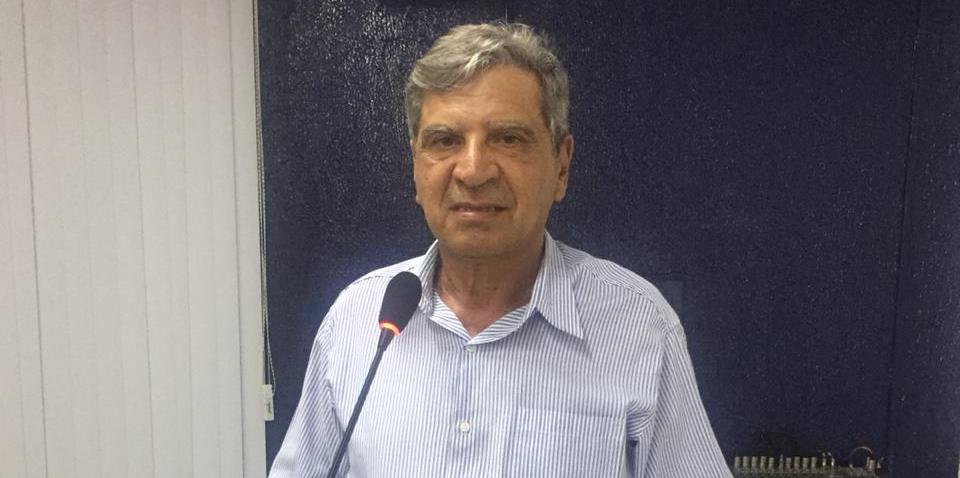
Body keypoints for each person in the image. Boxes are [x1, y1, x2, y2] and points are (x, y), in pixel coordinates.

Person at [270, 22, 731, 478]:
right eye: (445, 141)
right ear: (416, 168)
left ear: (562, 166)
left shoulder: (639, 327)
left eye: (508, 138)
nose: (473, 171)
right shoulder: (356, 320)